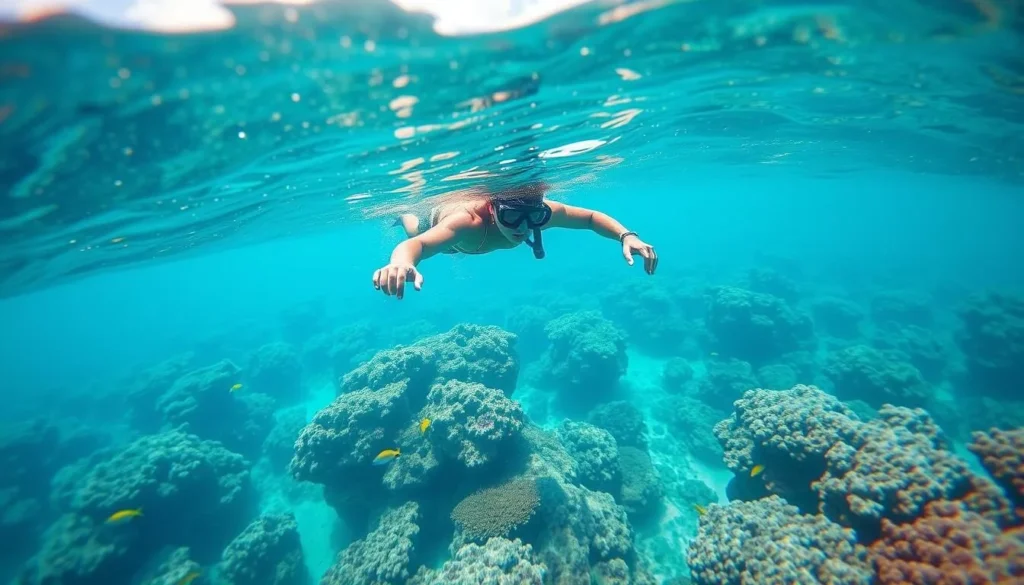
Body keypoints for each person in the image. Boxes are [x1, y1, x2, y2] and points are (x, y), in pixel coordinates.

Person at [372, 183, 658, 299]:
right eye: (511, 217)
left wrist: (626, 235)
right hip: (439, 227)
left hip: (471, 242)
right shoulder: (466, 222)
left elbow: (591, 218)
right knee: (412, 228)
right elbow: (417, 246)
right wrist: (400, 263)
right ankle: (402, 213)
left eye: (532, 216)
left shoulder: (542, 214)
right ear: (491, 209)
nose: (522, 228)